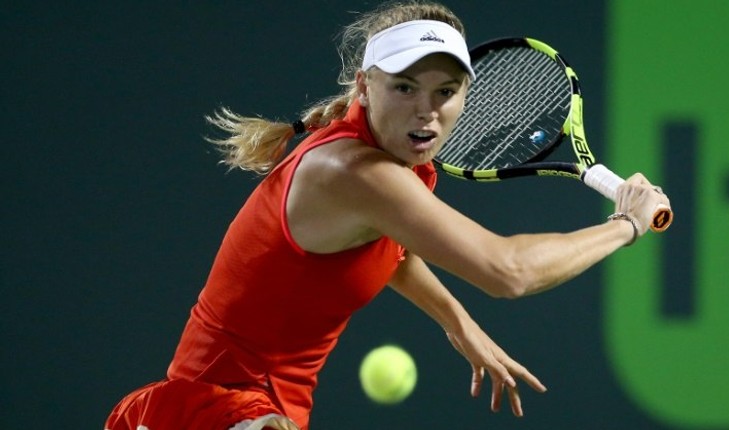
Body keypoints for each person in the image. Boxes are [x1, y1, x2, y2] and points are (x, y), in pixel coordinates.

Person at [105, 1, 671, 430]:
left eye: (446, 91)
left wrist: (457, 320)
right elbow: (509, 271)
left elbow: (383, 247)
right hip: (226, 413)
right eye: (404, 87)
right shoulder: (358, 174)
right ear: (365, 86)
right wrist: (626, 225)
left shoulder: (379, 159)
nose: (427, 112)